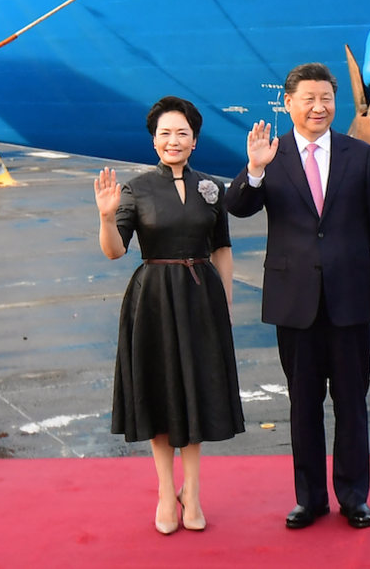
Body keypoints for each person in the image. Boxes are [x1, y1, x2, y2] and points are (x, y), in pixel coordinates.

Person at [226, 63, 370, 530]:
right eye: (308, 98)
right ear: (289, 104)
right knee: (302, 403)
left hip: (351, 297)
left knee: (351, 401)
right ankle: (310, 498)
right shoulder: (270, 154)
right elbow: (237, 206)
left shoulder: (359, 155)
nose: (319, 107)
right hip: (294, 298)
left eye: (326, 98)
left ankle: (353, 496)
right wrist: (254, 170)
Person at [94, 97, 244, 535]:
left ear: (195, 140)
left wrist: (226, 305)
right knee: (160, 395)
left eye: (181, 133)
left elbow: (222, 249)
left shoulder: (211, 188)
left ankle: (192, 492)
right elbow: (114, 251)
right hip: (154, 299)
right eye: (165, 133)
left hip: (201, 299)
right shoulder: (135, 190)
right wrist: (106, 218)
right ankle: (165, 492)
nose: (172, 140)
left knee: (196, 394)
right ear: (154, 140)